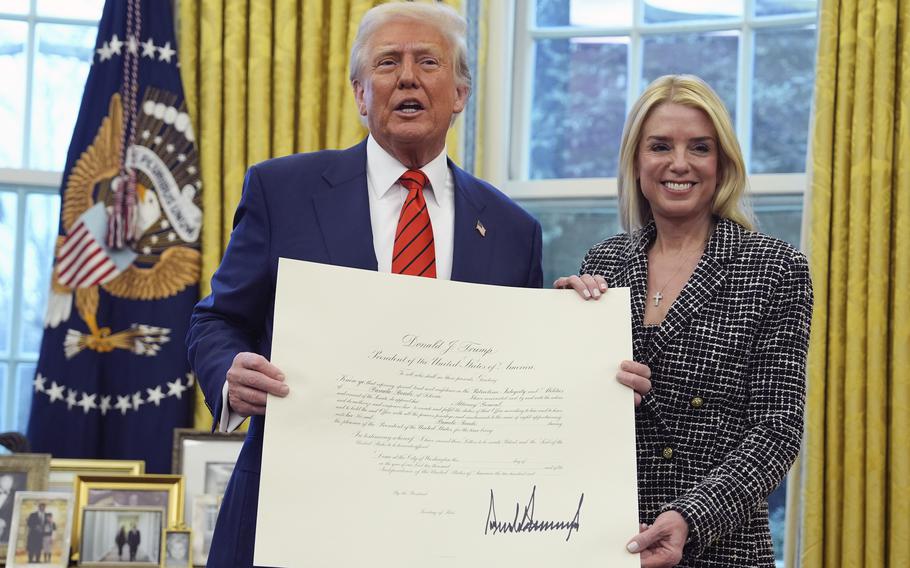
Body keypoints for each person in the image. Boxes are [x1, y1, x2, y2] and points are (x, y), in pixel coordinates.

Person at [186, 2, 547, 566]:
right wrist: (230, 375)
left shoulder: (513, 230)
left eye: (428, 61)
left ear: (460, 94)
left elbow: (527, 372)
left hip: (452, 527)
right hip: (295, 512)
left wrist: (579, 340)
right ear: (359, 93)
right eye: (386, 63)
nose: (407, 76)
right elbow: (217, 318)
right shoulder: (281, 191)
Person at [554, 74, 813, 567]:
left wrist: (691, 517)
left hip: (721, 548)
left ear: (722, 163)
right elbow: (568, 422)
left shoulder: (776, 268)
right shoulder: (602, 263)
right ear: (636, 160)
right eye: (659, 146)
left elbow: (777, 429)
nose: (679, 164)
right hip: (602, 544)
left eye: (699, 147)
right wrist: (561, 347)